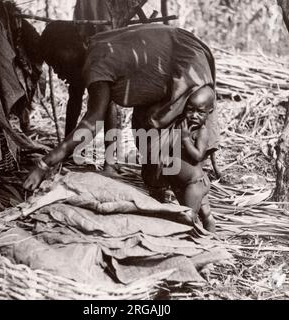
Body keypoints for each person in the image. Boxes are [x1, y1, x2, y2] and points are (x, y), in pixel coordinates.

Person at [24, 23, 220, 226]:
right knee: (148, 135)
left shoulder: (96, 63)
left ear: (69, 49)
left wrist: (44, 163)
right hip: (179, 52)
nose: (57, 72)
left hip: (185, 63)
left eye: (56, 62)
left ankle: (190, 216)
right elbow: (86, 104)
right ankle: (175, 203)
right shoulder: (93, 48)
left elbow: (92, 122)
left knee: (175, 151)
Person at [168, 86, 216, 232]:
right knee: (206, 214)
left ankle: (199, 241)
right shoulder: (183, 124)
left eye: (200, 112)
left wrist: (186, 139)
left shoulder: (202, 132)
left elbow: (198, 156)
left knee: (188, 217)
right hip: (186, 184)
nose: (194, 115)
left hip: (194, 184)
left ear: (210, 112)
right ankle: (211, 236)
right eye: (190, 110)